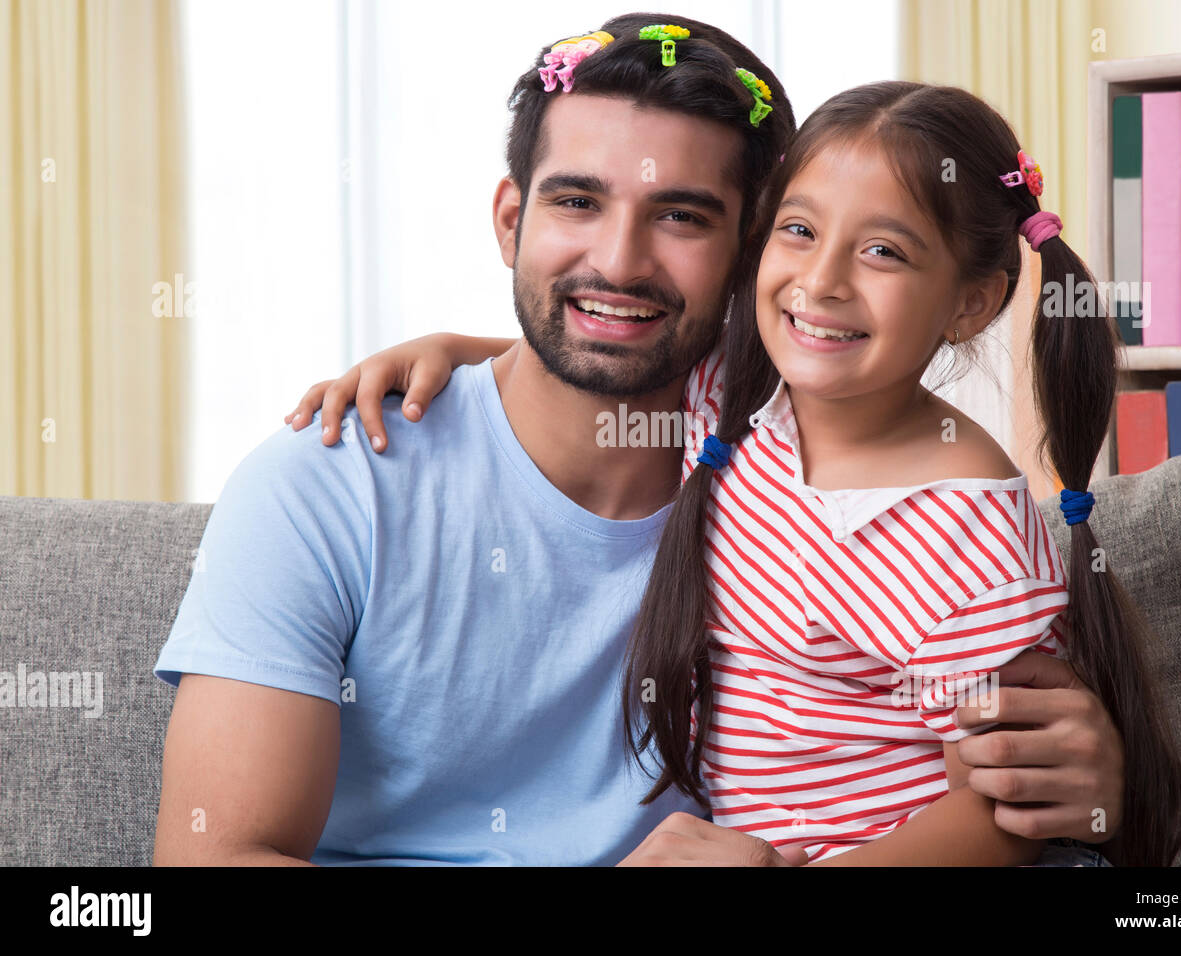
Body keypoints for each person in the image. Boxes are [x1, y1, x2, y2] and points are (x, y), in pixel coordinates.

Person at [154, 14, 1127, 867]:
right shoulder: (323, 484)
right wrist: (457, 351)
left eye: (680, 216)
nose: (617, 262)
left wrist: (1078, 775)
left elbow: (1005, 792)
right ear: (510, 219)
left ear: (747, 246)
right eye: (577, 201)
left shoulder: (754, 441)